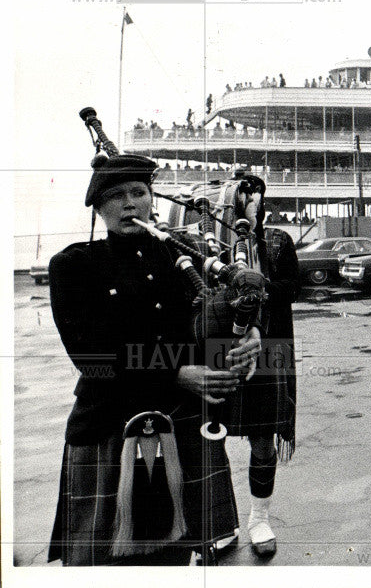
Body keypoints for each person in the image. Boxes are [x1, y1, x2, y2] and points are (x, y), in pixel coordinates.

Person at [47, 154, 252, 566]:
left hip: (184, 424)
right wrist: (176, 374)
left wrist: (250, 335)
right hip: (110, 425)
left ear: (150, 200)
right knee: (111, 565)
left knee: (178, 556)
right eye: (116, 196)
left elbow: (214, 318)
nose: (129, 204)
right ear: (98, 207)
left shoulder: (182, 256)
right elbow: (92, 359)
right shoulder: (74, 265)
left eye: (138, 193)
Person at [221, 173, 299, 558]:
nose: (250, 202)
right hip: (222, 345)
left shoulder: (279, 239)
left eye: (256, 196)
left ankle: (259, 518)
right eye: (243, 196)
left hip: (271, 345)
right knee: (207, 435)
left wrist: (259, 286)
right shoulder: (215, 240)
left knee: (263, 440)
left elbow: (294, 288)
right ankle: (217, 519)